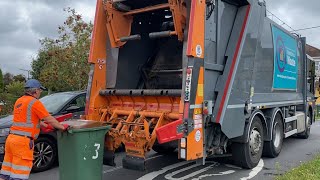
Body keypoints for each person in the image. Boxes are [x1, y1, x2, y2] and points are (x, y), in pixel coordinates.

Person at [0, 79, 70, 180]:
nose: (40, 93)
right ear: (36, 91)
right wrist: (62, 127)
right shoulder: (34, 102)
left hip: (11, 140)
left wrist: (45, 126)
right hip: (23, 142)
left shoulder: (19, 101)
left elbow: (27, 120)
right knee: (19, 174)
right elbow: (48, 118)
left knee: (6, 171)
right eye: (40, 91)